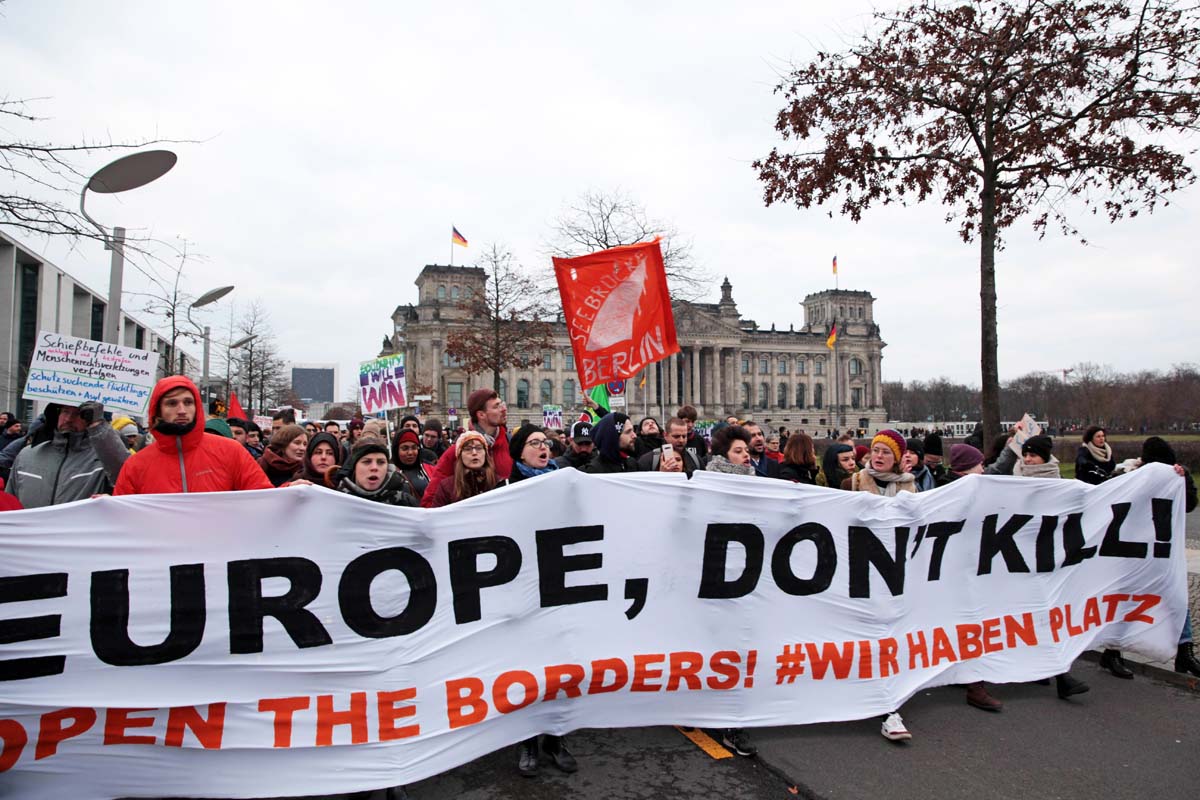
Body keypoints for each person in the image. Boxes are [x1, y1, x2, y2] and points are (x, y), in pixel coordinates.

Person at [1099, 436, 1199, 679]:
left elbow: (1189, 505)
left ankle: (1184, 650)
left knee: (1177, 594)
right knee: (1124, 599)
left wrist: (1182, 479)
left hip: (1161, 550)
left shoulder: (1175, 477)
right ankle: (1112, 652)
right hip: (1132, 552)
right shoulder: (1128, 475)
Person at [1004, 434, 1091, 698]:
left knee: (1046, 615)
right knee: (1032, 615)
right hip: (1018, 559)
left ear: (1045, 457)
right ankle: (1053, 673)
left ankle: (1054, 672)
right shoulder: (1012, 480)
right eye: (1026, 454)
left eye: (1033, 455)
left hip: (1048, 558)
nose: (1028, 459)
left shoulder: (1059, 483)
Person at [114, 376, 274, 495]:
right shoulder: (135, 466)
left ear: (196, 406)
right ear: (158, 410)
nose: (182, 410)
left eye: (188, 402)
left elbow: (263, 498)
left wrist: (290, 492)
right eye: (172, 403)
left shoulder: (231, 451)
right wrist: (104, 509)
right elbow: (121, 520)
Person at [703, 424, 757, 757]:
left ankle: (731, 719)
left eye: (747, 450)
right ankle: (715, 711)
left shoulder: (759, 483)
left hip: (747, 576)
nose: (746, 454)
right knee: (716, 644)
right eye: (739, 450)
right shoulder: (707, 483)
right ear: (724, 454)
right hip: (715, 576)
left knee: (739, 646)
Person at [5, 401, 128, 509]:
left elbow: (126, 478)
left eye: (78, 414)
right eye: (65, 411)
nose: (68, 419)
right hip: (30, 534)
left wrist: (98, 428)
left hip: (79, 535)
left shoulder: (104, 458)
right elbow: (9, 502)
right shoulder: (27, 455)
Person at [422, 389, 512, 507]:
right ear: (481, 415)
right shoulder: (455, 452)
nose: (504, 409)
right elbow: (431, 500)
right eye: (496, 406)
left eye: (502, 404)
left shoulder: (510, 444)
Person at [427, 430, 506, 507]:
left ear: (485, 453)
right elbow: (437, 517)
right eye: (468, 449)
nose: (474, 453)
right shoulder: (446, 487)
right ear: (460, 455)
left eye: (479, 448)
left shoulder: (499, 483)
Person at [332, 438, 418, 506]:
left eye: (381, 462)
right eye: (367, 462)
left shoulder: (405, 502)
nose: (374, 468)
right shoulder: (337, 500)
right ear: (354, 466)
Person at [637, 417, 703, 476]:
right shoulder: (647, 460)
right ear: (665, 435)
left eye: (684, 436)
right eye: (676, 436)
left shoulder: (696, 460)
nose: (681, 440)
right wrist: (661, 475)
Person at [936, 442, 1016, 486]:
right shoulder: (951, 489)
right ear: (969, 466)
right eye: (980, 465)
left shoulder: (950, 484)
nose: (982, 470)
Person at [391, 428, 435, 501]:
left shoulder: (429, 468)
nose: (410, 453)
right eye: (405, 448)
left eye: (414, 448)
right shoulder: (389, 472)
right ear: (396, 450)